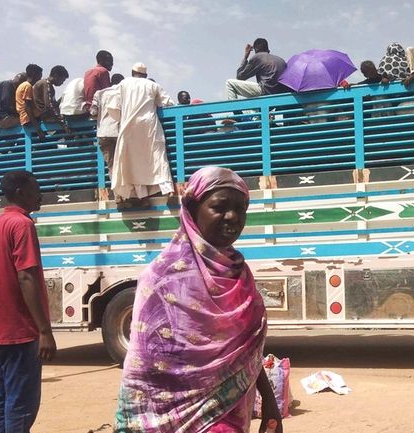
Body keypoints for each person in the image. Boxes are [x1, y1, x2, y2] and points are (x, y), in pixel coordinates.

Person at [114, 166, 283, 433]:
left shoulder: (238, 274)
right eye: (220, 207)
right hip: (173, 421)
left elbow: (246, 353)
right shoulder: (160, 278)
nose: (233, 217)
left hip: (232, 413)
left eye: (241, 209)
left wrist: (270, 405)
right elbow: (142, 374)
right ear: (192, 211)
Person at [0, 170, 56, 433]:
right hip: (20, 331)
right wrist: (44, 331)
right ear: (20, 193)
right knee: (22, 405)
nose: (40, 195)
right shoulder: (22, 225)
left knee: (1, 399)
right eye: (35, 189)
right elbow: (26, 277)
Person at [109, 63, 175, 204]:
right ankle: (167, 188)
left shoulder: (123, 84)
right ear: (145, 75)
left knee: (132, 162)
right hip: (149, 125)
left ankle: (139, 193)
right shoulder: (152, 85)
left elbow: (113, 107)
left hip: (128, 127)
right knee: (157, 156)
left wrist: (122, 117)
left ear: (132, 72)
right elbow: (168, 103)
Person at [91, 73, 125, 178]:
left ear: (111, 82)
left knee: (110, 164)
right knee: (123, 163)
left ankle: (116, 192)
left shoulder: (99, 93)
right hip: (118, 132)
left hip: (103, 133)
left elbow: (93, 112)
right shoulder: (123, 93)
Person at [32, 65, 71, 133]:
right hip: (44, 115)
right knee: (70, 121)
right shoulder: (46, 84)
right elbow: (49, 105)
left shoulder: (47, 84)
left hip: (43, 115)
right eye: (62, 80)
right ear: (56, 76)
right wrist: (62, 124)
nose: (62, 83)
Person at [16, 64, 45, 140]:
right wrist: (38, 128)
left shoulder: (23, 85)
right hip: (29, 119)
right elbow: (27, 107)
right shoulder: (27, 86)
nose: (40, 78)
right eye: (40, 75)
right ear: (34, 74)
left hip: (26, 119)